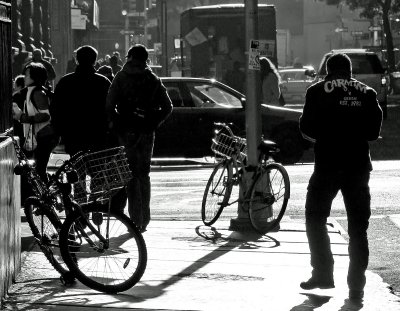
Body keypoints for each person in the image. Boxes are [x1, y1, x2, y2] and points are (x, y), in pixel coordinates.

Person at [299, 53, 383, 300]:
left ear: (327, 70)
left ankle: (323, 273)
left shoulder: (316, 91)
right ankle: (356, 286)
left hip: (327, 164)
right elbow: (372, 131)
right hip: (357, 166)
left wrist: (328, 133)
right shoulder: (367, 93)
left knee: (315, 217)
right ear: (350, 72)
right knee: (359, 228)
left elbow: (306, 128)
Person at [106, 44, 173, 232]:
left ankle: (134, 219)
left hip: (126, 132)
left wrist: (118, 124)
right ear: (146, 59)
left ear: (129, 57)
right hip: (146, 133)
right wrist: (152, 123)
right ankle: (144, 218)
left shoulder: (120, 77)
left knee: (130, 175)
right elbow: (168, 107)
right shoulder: (152, 79)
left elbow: (109, 106)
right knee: (144, 175)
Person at [51, 45, 111, 156]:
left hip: (72, 133)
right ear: (95, 61)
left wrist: (59, 130)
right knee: (96, 167)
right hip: (97, 132)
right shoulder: (103, 82)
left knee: (77, 166)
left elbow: (56, 107)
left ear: (77, 60)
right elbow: (110, 106)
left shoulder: (65, 81)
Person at [12, 63, 58, 182]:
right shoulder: (31, 91)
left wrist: (22, 117)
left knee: (39, 171)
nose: (24, 77)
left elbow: (45, 115)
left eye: (27, 75)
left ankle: (48, 197)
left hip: (45, 137)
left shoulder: (37, 93)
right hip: (41, 137)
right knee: (38, 170)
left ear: (34, 77)